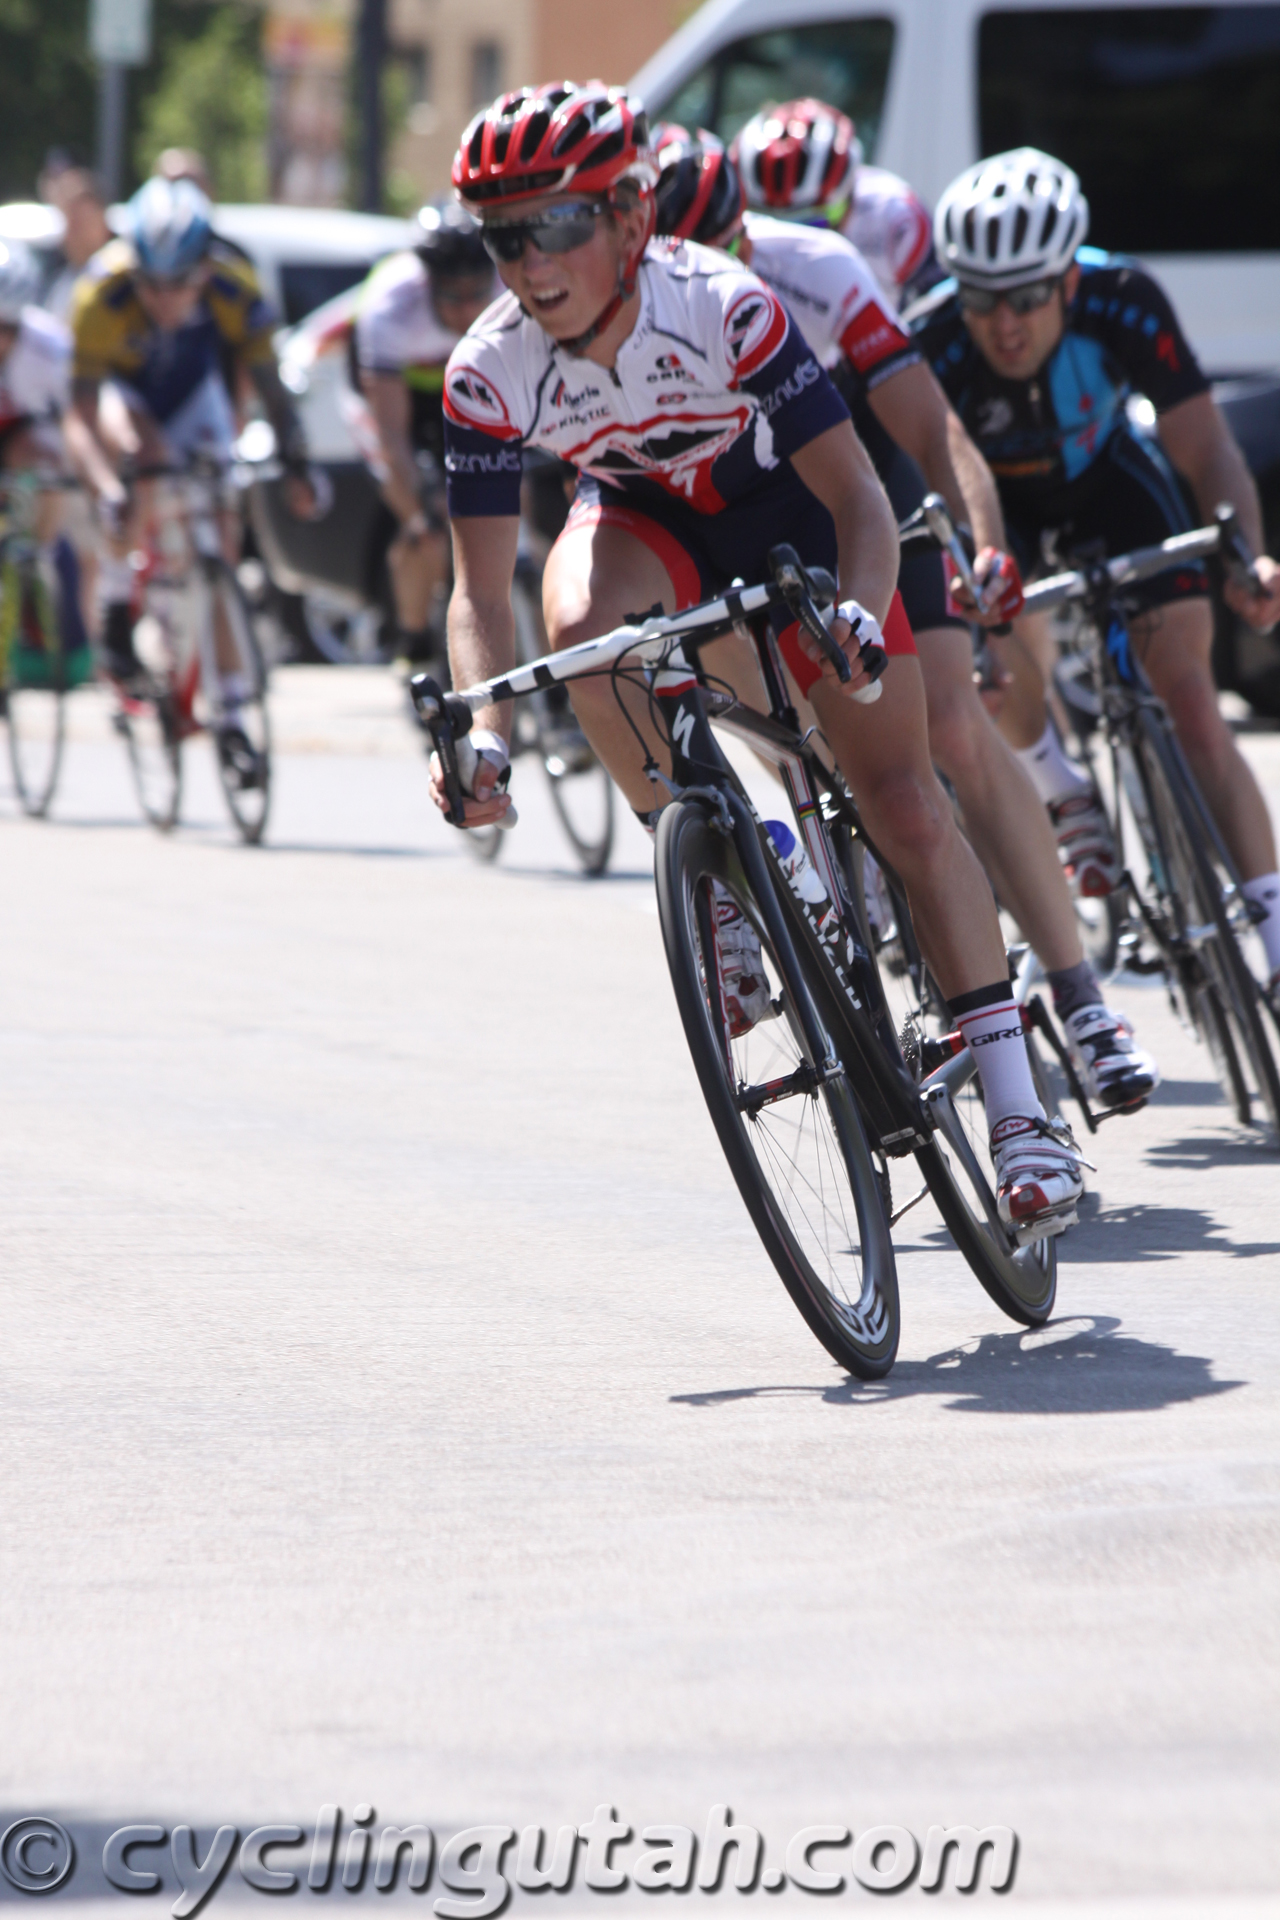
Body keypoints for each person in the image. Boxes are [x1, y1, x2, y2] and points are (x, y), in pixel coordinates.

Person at [435, 80, 1088, 1238]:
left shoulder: (725, 306)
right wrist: (482, 734)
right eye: (501, 237)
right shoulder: (487, 372)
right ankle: (720, 875)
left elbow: (860, 500)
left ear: (629, 217)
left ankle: (1017, 1112)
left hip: (795, 516)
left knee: (904, 799)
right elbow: (478, 592)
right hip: (645, 523)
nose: (527, 263)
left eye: (555, 225)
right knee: (578, 628)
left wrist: (859, 614)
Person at [650, 124, 1157, 1112]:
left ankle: (1081, 998)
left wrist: (980, 544)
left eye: (719, 252)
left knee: (954, 727)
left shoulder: (817, 269)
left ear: (745, 233)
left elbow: (929, 426)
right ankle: (813, 885)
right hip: (737, 515)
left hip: (862, 490)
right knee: (785, 732)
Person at [915, 148, 1280, 989]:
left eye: (1028, 297)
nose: (1005, 323)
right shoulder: (930, 339)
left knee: (1193, 704)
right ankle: (1060, 785)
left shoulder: (1124, 297)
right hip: (1000, 508)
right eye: (982, 299)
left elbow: (1206, 448)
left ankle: (1273, 938)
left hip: (1109, 481)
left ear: (1069, 282)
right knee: (1002, 655)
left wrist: (1247, 555)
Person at [64, 176, 314, 761]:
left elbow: (273, 391)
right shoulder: (100, 293)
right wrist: (106, 486)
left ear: (204, 270)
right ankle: (118, 599)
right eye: (150, 284)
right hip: (127, 398)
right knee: (145, 456)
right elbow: (79, 417)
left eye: (178, 285)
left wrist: (297, 462)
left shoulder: (234, 287)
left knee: (220, 543)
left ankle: (230, 707)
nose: (163, 299)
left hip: (194, 399)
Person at [352, 200, 496, 664]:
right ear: (429, 283)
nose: (467, 307)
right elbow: (391, 437)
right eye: (453, 296)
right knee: (424, 525)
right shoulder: (392, 307)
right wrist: (419, 502)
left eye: (477, 293)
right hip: (395, 397)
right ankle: (413, 640)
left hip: (459, 385)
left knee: (516, 487)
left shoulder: (508, 288)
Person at [733, 97, 941, 313]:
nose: (789, 245)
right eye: (764, 229)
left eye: (812, 224)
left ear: (847, 196)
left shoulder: (898, 219)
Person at [0, 240, 92, 682]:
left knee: (49, 469)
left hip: (33, 434)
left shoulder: (51, 348)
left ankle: (40, 562)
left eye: (7, 328)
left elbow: (76, 418)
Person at [40, 167, 113, 325]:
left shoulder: (122, 275)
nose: (72, 230)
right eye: (68, 219)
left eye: (81, 222)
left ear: (103, 221)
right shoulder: (59, 285)